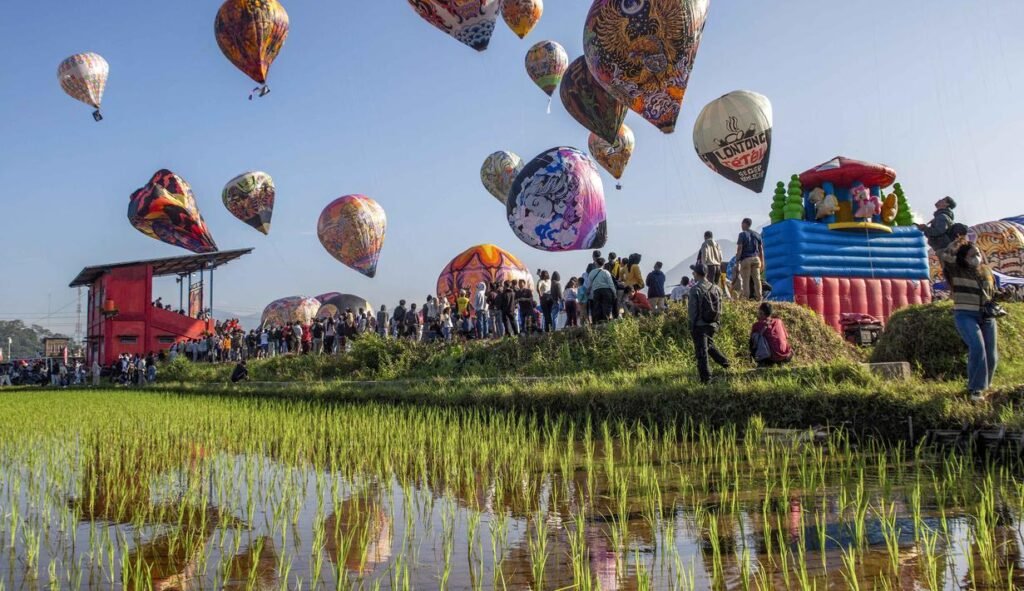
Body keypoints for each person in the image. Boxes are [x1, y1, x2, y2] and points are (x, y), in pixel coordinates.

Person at [940, 235, 999, 401]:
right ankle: (976, 389)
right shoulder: (956, 269)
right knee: (977, 347)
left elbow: (993, 291)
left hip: (987, 315)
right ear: (963, 257)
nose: (977, 258)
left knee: (991, 353)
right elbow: (945, 255)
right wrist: (957, 242)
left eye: (978, 254)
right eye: (972, 255)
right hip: (965, 313)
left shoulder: (986, 270)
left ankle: (987, 385)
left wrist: (1000, 297)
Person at [688, 263, 731, 384]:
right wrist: (717, 322)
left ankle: (706, 379)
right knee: (709, 346)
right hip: (713, 323)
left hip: (700, 325)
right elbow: (720, 307)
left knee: (701, 353)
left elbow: (692, 311)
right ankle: (726, 364)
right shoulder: (716, 288)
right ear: (706, 273)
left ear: (696, 274)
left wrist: (692, 326)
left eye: (694, 272)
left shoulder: (695, 289)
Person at [749, 303, 794, 367]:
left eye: (759, 312)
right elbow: (786, 336)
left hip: (771, 357)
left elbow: (752, 343)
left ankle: (762, 362)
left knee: (755, 336)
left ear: (761, 313)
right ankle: (780, 362)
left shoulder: (757, 325)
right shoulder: (779, 321)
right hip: (786, 355)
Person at [736, 218, 765, 300]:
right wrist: (762, 262)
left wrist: (737, 260)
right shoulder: (757, 235)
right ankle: (759, 297)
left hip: (746, 259)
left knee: (746, 280)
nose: (741, 226)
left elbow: (740, 248)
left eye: (742, 224)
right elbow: (761, 250)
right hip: (756, 259)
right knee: (757, 279)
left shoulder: (742, 235)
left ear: (745, 224)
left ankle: (746, 299)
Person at [586, 258, 617, 323]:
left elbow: (589, 284)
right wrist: (614, 292)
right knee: (606, 307)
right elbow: (611, 283)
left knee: (597, 307)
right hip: (606, 291)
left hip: (596, 291)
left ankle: (598, 322)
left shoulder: (592, 272)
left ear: (596, 263)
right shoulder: (606, 272)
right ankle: (606, 321)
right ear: (603, 264)